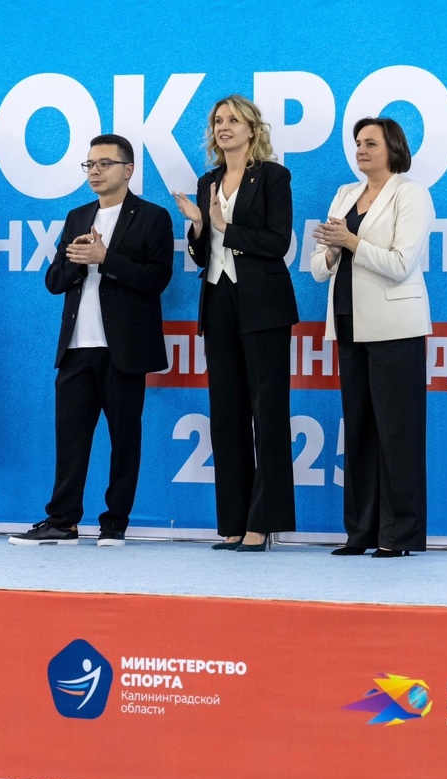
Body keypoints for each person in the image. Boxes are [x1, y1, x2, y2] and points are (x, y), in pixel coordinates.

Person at [10, 134, 173, 548]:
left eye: (104, 164)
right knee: (70, 440)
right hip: (76, 349)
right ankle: (62, 521)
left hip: (123, 349)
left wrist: (106, 260)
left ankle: (114, 523)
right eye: (89, 165)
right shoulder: (78, 216)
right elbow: (53, 281)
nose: (95, 172)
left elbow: (157, 279)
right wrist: (78, 263)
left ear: (128, 170)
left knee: (124, 441)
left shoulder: (152, 217)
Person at [172, 95, 297, 552]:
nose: (223, 127)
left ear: (252, 129)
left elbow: (278, 243)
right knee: (226, 415)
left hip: (263, 305)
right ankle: (233, 522)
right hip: (219, 301)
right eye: (218, 121)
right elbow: (202, 254)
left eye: (233, 120)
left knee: (268, 413)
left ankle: (263, 522)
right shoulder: (208, 181)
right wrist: (199, 227)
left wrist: (224, 226)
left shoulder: (273, 177)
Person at [312, 117, 434, 558]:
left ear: (392, 148)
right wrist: (331, 249)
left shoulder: (411, 194)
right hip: (348, 323)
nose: (361, 150)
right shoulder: (345, 194)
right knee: (360, 432)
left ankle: (398, 535)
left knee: (397, 433)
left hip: (394, 328)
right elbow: (318, 267)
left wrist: (350, 241)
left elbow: (401, 264)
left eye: (370, 143)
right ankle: (360, 533)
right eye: (358, 143)